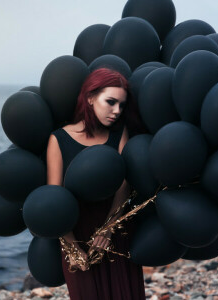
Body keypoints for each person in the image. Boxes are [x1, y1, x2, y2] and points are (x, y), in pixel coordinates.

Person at [46, 68, 146, 299]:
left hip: (116, 231)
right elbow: (54, 198)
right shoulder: (58, 139)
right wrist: (71, 246)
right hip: (75, 233)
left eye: (121, 105)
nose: (117, 111)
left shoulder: (119, 133)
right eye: (110, 102)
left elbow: (124, 185)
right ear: (90, 97)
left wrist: (109, 229)